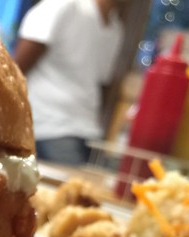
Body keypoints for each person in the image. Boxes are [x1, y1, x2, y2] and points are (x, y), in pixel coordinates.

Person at [14, 0, 124, 165]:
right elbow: (15, 71)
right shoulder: (61, 5)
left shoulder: (115, 27)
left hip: (87, 129)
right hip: (49, 125)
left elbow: (103, 83)